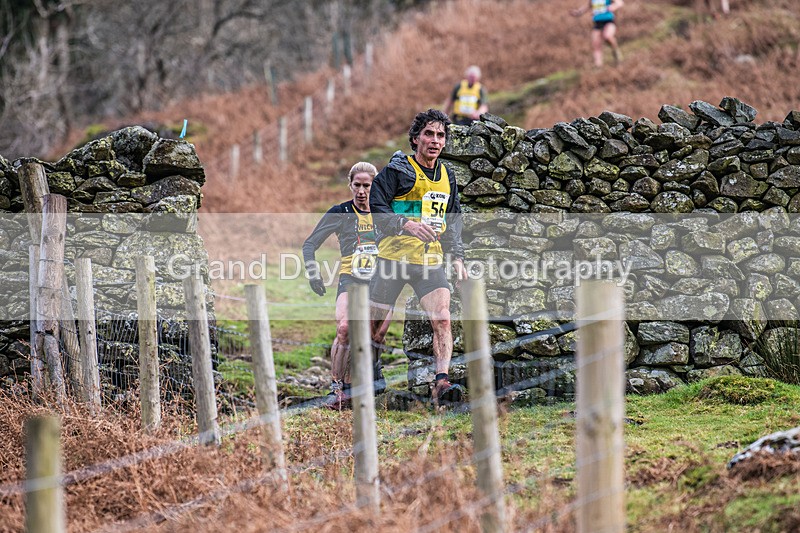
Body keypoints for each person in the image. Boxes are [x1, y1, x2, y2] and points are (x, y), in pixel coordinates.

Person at [368, 109, 468, 408]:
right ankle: (367, 380)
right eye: (429, 134)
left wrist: (457, 257)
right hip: (393, 259)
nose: (435, 140)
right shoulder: (398, 170)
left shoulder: (448, 175)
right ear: (416, 139)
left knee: (442, 317)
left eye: (440, 135)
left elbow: (454, 220)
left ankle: (441, 382)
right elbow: (376, 205)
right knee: (375, 327)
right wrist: (405, 224)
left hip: (430, 261)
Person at [302, 161, 391, 410]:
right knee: (344, 328)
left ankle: (370, 374)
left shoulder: (387, 212)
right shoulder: (340, 212)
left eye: (367, 186)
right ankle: (337, 387)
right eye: (357, 185)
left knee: (377, 334)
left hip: (381, 280)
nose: (362, 191)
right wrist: (313, 274)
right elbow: (309, 244)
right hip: (350, 279)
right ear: (350, 185)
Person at [571, 0, 624, 68]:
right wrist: (578, 12)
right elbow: (587, 6)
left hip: (608, 21)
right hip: (597, 23)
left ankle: (616, 52)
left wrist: (614, 6)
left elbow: (620, 3)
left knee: (607, 36)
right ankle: (598, 65)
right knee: (596, 44)